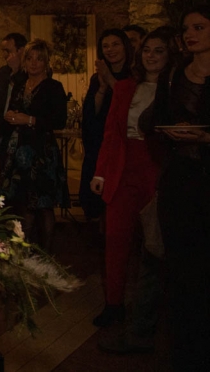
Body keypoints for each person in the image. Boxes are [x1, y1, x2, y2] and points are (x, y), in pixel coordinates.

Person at [90, 26, 176, 340]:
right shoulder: (125, 87)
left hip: (158, 169)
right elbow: (111, 133)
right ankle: (114, 304)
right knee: (115, 239)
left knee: (155, 245)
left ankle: (154, 311)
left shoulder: (175, 88)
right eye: (147, 50)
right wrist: (100, 173)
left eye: (159, 51)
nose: (151, 56)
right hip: (124, 169)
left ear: (169, 55)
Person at [153, 5, 210, 371]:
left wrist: (205, 137)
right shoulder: (174, 74)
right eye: (187, 28)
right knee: (182, 272)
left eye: (199, 27)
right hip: (180, 181)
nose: (190, 34)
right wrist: (170, 132)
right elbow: (158, 120)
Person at [0, 39, 68, 253]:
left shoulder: (53, 87)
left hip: (41, 154)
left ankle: (46, 255)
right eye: (29, 58)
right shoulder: (20, 85)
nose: (34, 63)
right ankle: (25, 254)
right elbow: (12, 110)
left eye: (39, 59)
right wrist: (10, 116)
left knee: (43, 206)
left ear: (46, 62)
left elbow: (59, 120)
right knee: (23, 205)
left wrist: (29, 120)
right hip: (19, 151)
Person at [80, 28, 134, 220]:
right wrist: (102, 87)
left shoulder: (134, 75)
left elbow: (128, 104)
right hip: (100, 139)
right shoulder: (98, 78)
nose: (110, 50)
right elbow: (91, 113)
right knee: (93, 200)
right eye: (106, 46)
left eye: (115, 44)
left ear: (125, 47)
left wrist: (110, 79)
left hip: (122, 140)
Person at [0, 32, 27, 179]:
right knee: (4, 173)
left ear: (20, 51)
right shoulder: (3, 72)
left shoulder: (29, 74)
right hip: (3, 131)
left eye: (8, 51)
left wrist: (17, 70)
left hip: (21, 134)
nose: (4, 55)